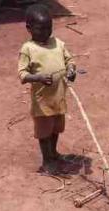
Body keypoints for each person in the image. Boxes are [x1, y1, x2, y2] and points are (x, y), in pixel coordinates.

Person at [18, 4, 76, 174]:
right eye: (40, 29)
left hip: (58, 97)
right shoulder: (28, 49)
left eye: (49, 28)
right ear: (29, 28)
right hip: (42, 101)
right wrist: (38, 78)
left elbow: (70, 60)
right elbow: (22, 75)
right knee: (44, 132)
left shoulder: (58, 43)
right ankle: (47, 161)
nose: (45, 32)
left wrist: (72, 70)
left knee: (56, 128)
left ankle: (54, 153)